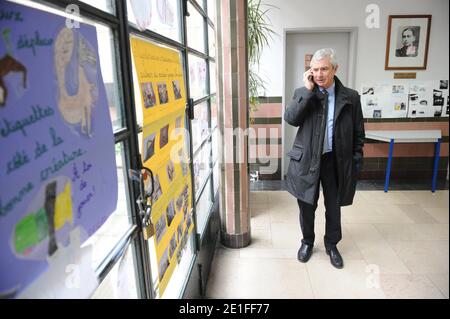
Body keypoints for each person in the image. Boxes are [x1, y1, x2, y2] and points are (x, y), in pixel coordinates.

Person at [284, 48, 365, 269]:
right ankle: (307, 242)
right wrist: (308, 91)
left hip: (335, 161)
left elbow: (359, 133)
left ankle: (332, 245)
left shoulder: (351, 97)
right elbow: (291, 118)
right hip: (308, 160)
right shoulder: (304, 92)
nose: (319, 74)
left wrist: (355, 159)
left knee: (333, 206)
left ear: (335, 69)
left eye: (324, 69)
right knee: (306, 206)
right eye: (315, 69)